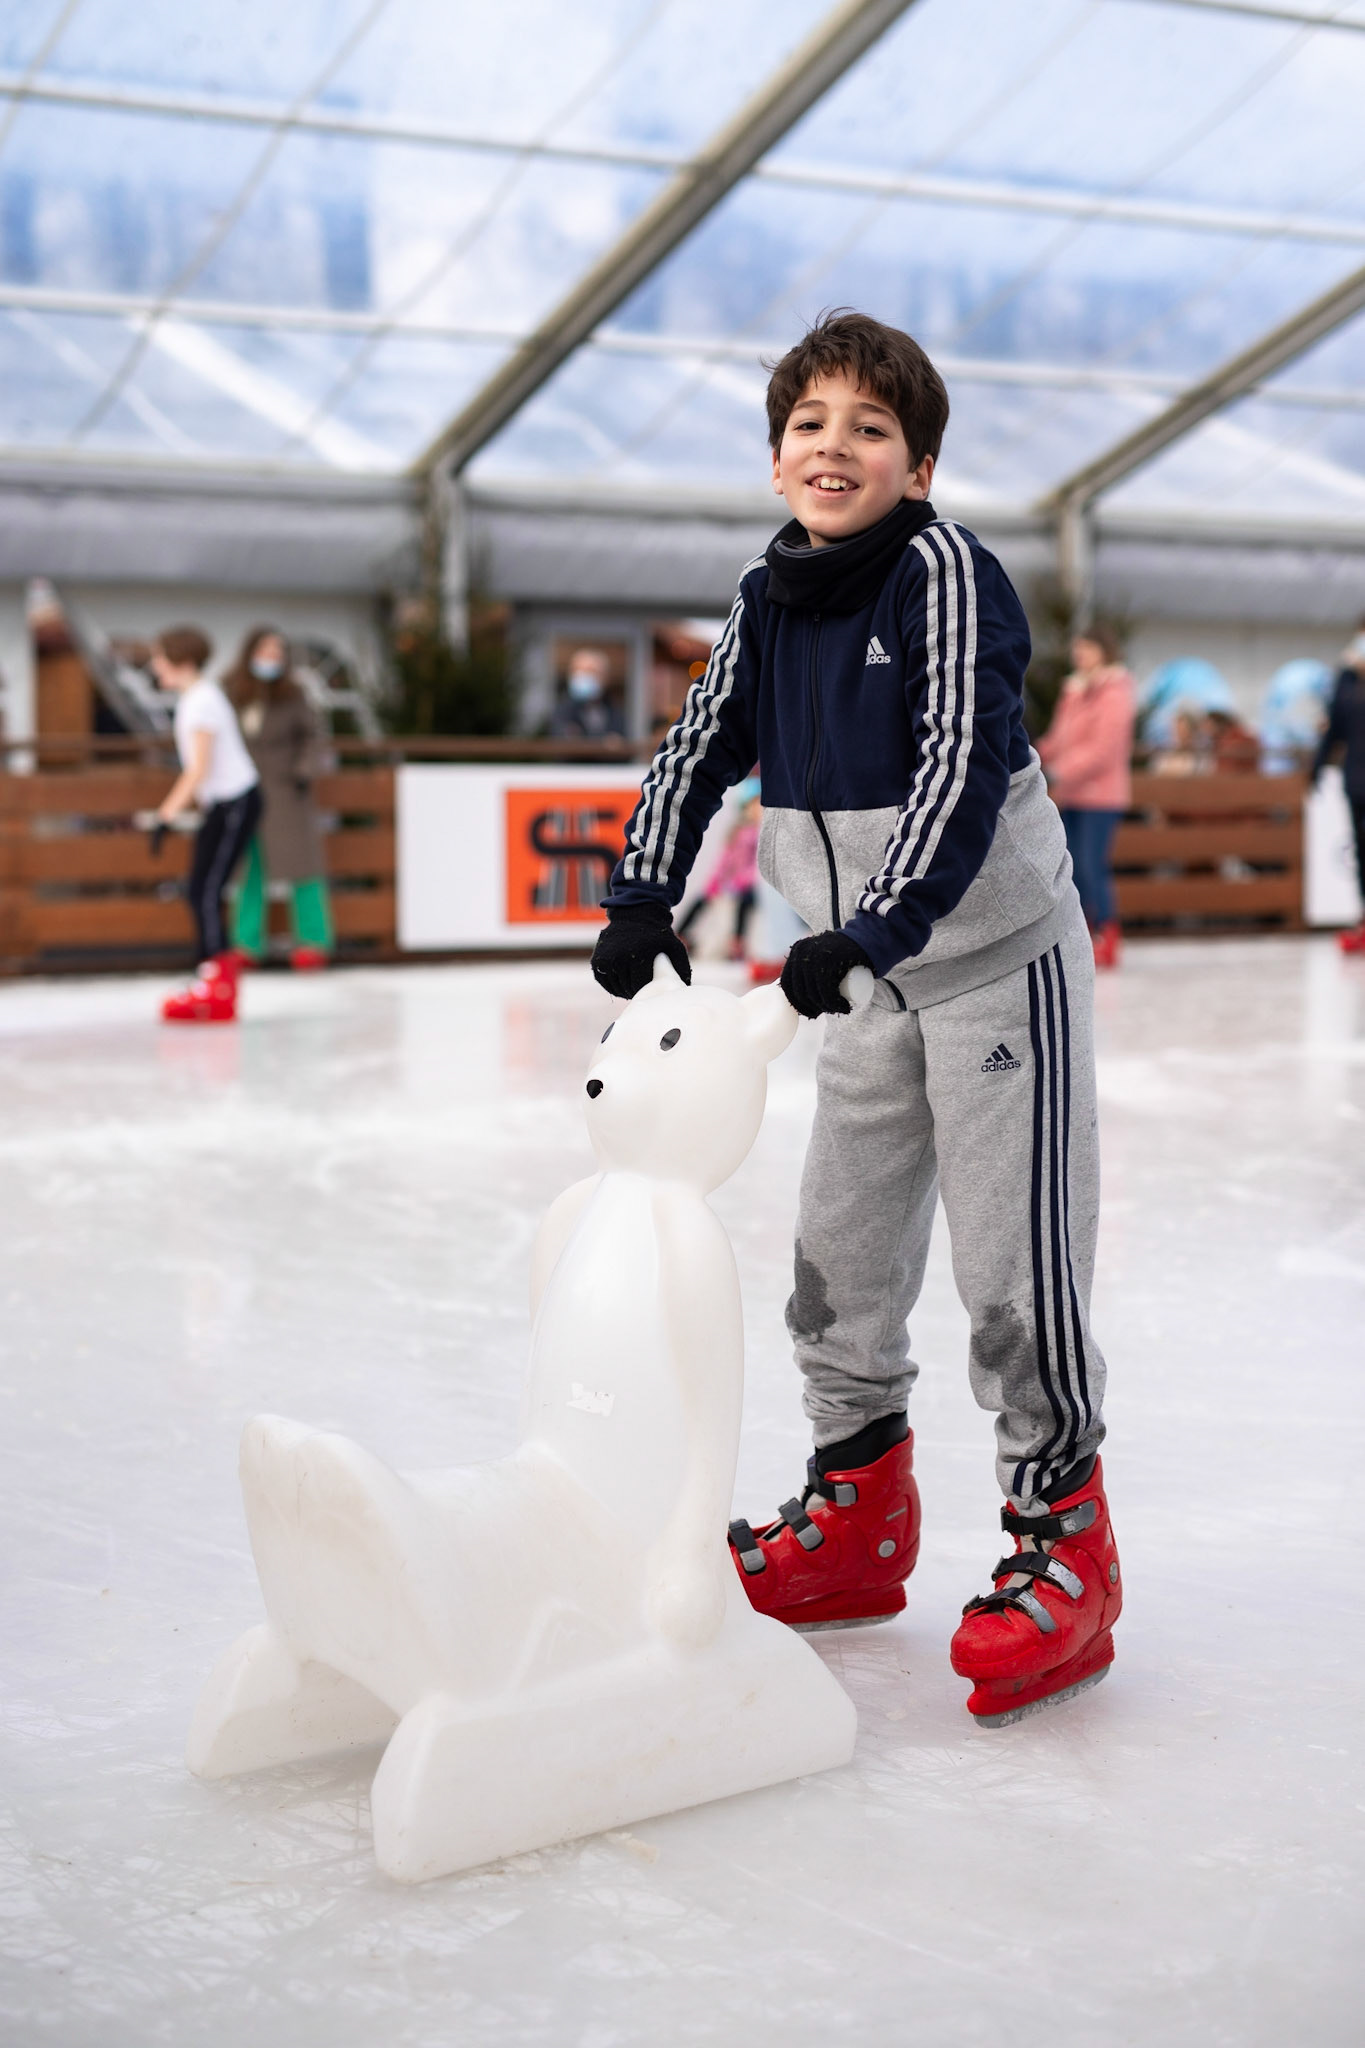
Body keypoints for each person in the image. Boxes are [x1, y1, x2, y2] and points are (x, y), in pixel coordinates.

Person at [590, 311, 1120, 1728]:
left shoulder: (945, 575)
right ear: (777, 462)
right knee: (838, 1258)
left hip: (990, 962)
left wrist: (872, 931)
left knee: (1013, 1271)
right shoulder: (768, 597)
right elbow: (699, 742)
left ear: (918, 466)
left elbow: (958, 767)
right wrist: (642, 890)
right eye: (810, 425)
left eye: (871, 429)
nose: (836, 447)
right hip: (865, 974)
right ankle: (857, 1515)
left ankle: (1064, 1538)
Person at [148, 626, 261, 1024]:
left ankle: (219, 987)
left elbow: (199, 768)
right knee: (199, 889)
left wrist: (165, 816)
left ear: (181, 660)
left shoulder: (201, 702)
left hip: (236, 802)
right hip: (223, 805)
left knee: (207, 890)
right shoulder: (196, 698)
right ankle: (210, 976)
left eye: (160, 658)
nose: (155, 666)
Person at [223, 627, 334, 971]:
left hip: (286, 791)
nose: (271, 657)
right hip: (242, 790)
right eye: (265, 650)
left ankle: (314, 940)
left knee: (302, 866)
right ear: (249, 652)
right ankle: (246, 944)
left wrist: (303, 771)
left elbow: (314, 737)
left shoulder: (294, 694)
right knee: (247, 869)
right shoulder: (230, 691)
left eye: (277, 651)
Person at [1037, 625, 1136, 970]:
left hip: (1101, 796)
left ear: (1104, 652)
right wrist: (1032, 753)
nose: (1079, 655)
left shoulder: (1115, 693)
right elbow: (1059, 738)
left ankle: (1107, 935)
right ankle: (1082, 935)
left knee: (1092, 865)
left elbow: (1103, 749)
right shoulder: (1075, 690)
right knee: (1072, 867)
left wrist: (1060, 771)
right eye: (1077, 649)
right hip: (1071, 794)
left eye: (1087, 649)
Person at [1311, 617, 1365, 954]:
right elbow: (1334, 729)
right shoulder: (1347, 681)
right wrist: (1316, 767)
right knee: (1361, 851)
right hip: (1357, 780)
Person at [676, 783, 762, 960]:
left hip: (751, 885)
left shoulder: (760, 832)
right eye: (753, 805)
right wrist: (715, 883)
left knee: (744, 902)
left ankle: (737, 942)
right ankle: (682, 935)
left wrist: (744, 881)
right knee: (703, 898)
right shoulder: (737, 831)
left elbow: (758, 863)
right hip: (734, 882)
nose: (756, 810)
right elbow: (725, 861)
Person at [550, 649, 624, 740]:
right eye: (578, 670)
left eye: (591, 671)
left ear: (605, 678)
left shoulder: (615, 712)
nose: (583, 676)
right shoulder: (562, 711)